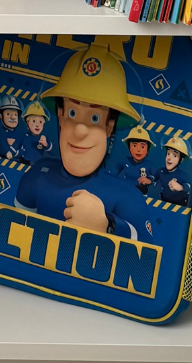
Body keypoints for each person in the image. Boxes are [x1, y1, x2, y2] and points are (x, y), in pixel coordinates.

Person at [16, 44, 155, 241]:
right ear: (60, 115)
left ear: (110, 126)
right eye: (72, 113)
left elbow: (146, 257)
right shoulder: (38, 174)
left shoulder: (127, 196)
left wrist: (108, 226)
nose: (80, 130)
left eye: (95, 118)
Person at [110, 123, 154, 194]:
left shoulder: (149, 164)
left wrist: (149, 180)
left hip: (141, 195)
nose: (138, 150)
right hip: (125, 192)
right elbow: (112, 173)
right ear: (129, 147)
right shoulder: (125, 160)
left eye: (142, 147)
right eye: (134, 145)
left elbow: (156, 177)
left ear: (148, 149)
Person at [149, 134, 192, 205]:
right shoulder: (161, 171)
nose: (169, 158)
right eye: (168, 154)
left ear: (181, 160)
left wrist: (181, 187)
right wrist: (148, 180)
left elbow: (189, 187)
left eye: (174, 155)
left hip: (180, 206)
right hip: (164, 202)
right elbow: (154, 177)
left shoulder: (183, 175)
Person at [17, 99, 53, 165]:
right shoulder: (24, 136)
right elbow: (17, 148)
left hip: (37, 165)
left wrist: (46, 144)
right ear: (27, 122)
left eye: (40, 122)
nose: (37, 125)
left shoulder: (42, 138)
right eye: (34, 121)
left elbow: (54, 152)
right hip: (23, 163)